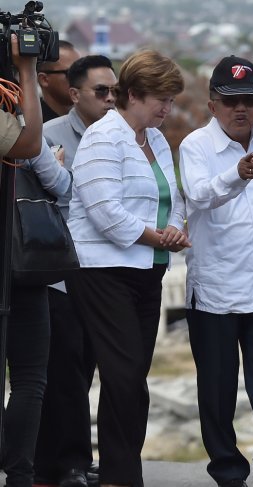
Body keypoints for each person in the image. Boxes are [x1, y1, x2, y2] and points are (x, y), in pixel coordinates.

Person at [65, 50, 189, 487]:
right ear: (133, 94)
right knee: (121, 375)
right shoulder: (104, 137)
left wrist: (172, 231)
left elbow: (172, 200)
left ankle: (120, 472)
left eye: (171, 100)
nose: (167, 108)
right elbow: (105, 213)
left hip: (146, 270)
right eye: (162, 99)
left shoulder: (155, 138)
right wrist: (160, 237)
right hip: (102, 271)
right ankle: (121, 476)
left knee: (133, 376)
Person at [179, 55, 253, 487]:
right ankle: (228, 473)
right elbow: (198, 196)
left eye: (249, 100)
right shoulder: (195, 146)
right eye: (230, 102)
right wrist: (236, 174)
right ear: (212, 104)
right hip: (214, 290)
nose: (240, 110)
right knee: (217, 392)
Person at [33, 54, 117, 487]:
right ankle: (68, 464)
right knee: (63, 372)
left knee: (88, 369)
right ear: (74, 94)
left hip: (106, 271)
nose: (109, 99)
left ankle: (74, 460)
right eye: (101, 92)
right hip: (62, 270)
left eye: (114, 92)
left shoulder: (123, 135)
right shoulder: (48, 135)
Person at [1, 33, 62, 487]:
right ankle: (20, 476)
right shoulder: (10, 96)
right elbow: (28, 143)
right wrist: (25, 71)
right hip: (22, 257)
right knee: (28, 377)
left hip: (18, 260)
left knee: (29, 378)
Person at [36, 40, 80, 122]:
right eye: (72, 73)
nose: (81, 79)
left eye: (83, 72)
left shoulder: (91, 120)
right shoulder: (33, 125)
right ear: (44, 79)